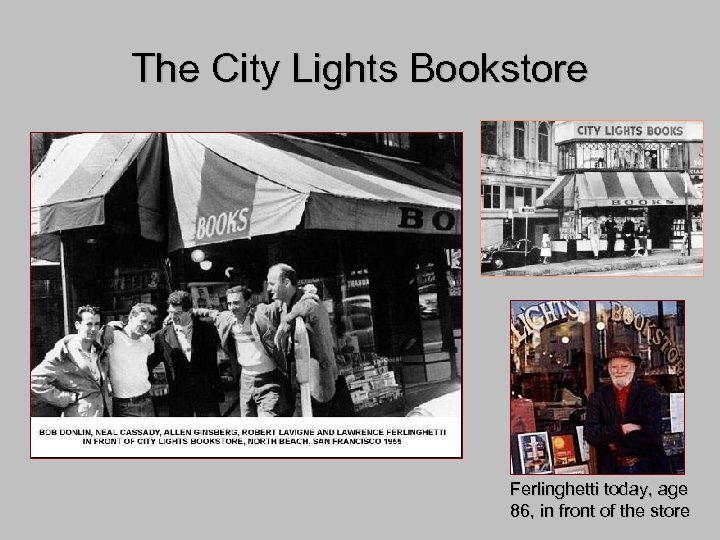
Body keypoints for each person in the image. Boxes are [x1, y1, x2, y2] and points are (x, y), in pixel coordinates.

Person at [201, 285, 292, 417]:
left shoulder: (261, 312)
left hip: (269, 380)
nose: (232, 307)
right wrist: (177, 316)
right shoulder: (227, 319)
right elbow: (208, 313)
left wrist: (284, 324)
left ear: (249, 303)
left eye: (237, 303)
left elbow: (283, 304)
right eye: (230, 303)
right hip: (245, 381)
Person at [584, 343, 670, 474]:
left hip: (648, 467)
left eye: (624, 366)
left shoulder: (648, 393)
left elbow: (652, 434)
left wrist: (614, 444)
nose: (619, 371)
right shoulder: (597, 396)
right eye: (614, 367)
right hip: (613, 469)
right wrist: (623, 429)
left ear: (634, 368)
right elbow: (590, 433)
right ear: (608, 369)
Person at [269, 263, 339, 416]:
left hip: (316, 384)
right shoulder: (285, 305)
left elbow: (309, 307)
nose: (269, 288)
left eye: (272, 284)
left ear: (286, 283)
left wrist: (286, 321)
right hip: (299, 384)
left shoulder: (309, 301)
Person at [149, 291, 224, 417]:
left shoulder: (208, 329)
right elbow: (147, 363)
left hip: (207, 396)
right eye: (170, 313)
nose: (172, 317)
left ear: (189, 311)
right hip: (179, 399)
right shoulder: (161, 336)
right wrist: (151, 382)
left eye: (177, 313)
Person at [31, 305, 111, 417]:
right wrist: (67, 398)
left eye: (96, 324)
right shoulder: (63, 353)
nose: (93, 329)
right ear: (78, 325)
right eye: (89, 324)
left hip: (103, 414)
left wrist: (110, 327)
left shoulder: (99, 349)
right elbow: (34, 380)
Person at [104, 303, 158, 417]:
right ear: (131, 316)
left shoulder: (147, 340)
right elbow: (84, 338)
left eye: (150, 323)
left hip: (147, 402)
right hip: (124, 406)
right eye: (143, 321)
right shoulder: (112, 337)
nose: (147, 327)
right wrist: (108, 326)